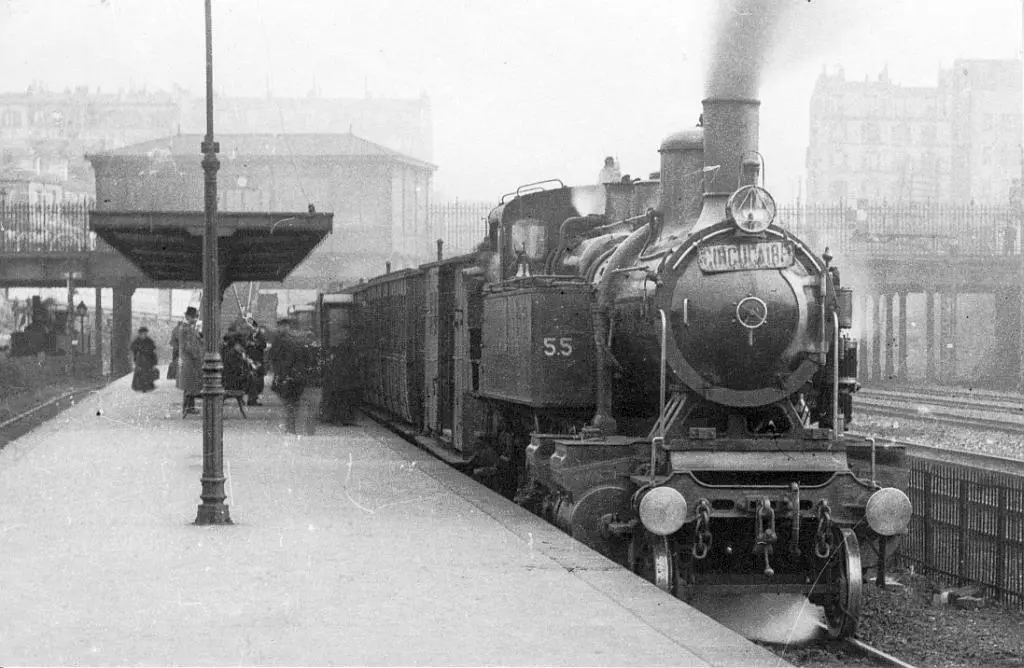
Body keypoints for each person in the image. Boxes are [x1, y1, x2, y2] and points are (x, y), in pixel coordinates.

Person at [269, 317, 317, 434]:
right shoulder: (301, 341)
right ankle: (300, 429)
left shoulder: (282, 340)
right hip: (298, 376)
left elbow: (276, 359)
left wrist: (281, 374)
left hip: (289, 376)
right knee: (295, 403)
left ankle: (291, 429)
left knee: (290, 404)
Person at [174, 306, 203, 414]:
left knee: (189, 384)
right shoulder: (187, 329)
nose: (195, 319)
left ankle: (189, 408)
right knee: (189, 384)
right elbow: (189, 346)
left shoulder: (187, 328)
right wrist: (196, 355)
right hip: (189, 360)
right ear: (188, 317)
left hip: (187, 360)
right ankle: (187, 408)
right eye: (194, 317)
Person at [244, 322, 268, 406]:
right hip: (250, 360)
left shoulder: (260, 335)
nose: (251, 329)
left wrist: (255, 344)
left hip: (258, 360)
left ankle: (255, 398)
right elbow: (245, 345)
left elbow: (264, 345)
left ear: (255, 327)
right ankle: (252, 399)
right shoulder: (249, 335)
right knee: (252, 379)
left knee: (259, 380)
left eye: (252, 327)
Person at [130, 327, 158, 392]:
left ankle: (148, 385)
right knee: (140, 372)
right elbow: (133, 348)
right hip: (140, 358)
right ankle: (138, 386)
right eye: (142, 334)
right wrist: (139, 349)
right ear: (140, 334)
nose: (144, 335)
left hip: (148, 358)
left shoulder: (149, 340)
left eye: (145, 334)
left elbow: (153, 349)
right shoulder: (137, 340)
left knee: (148, 372)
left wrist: (153, 360)